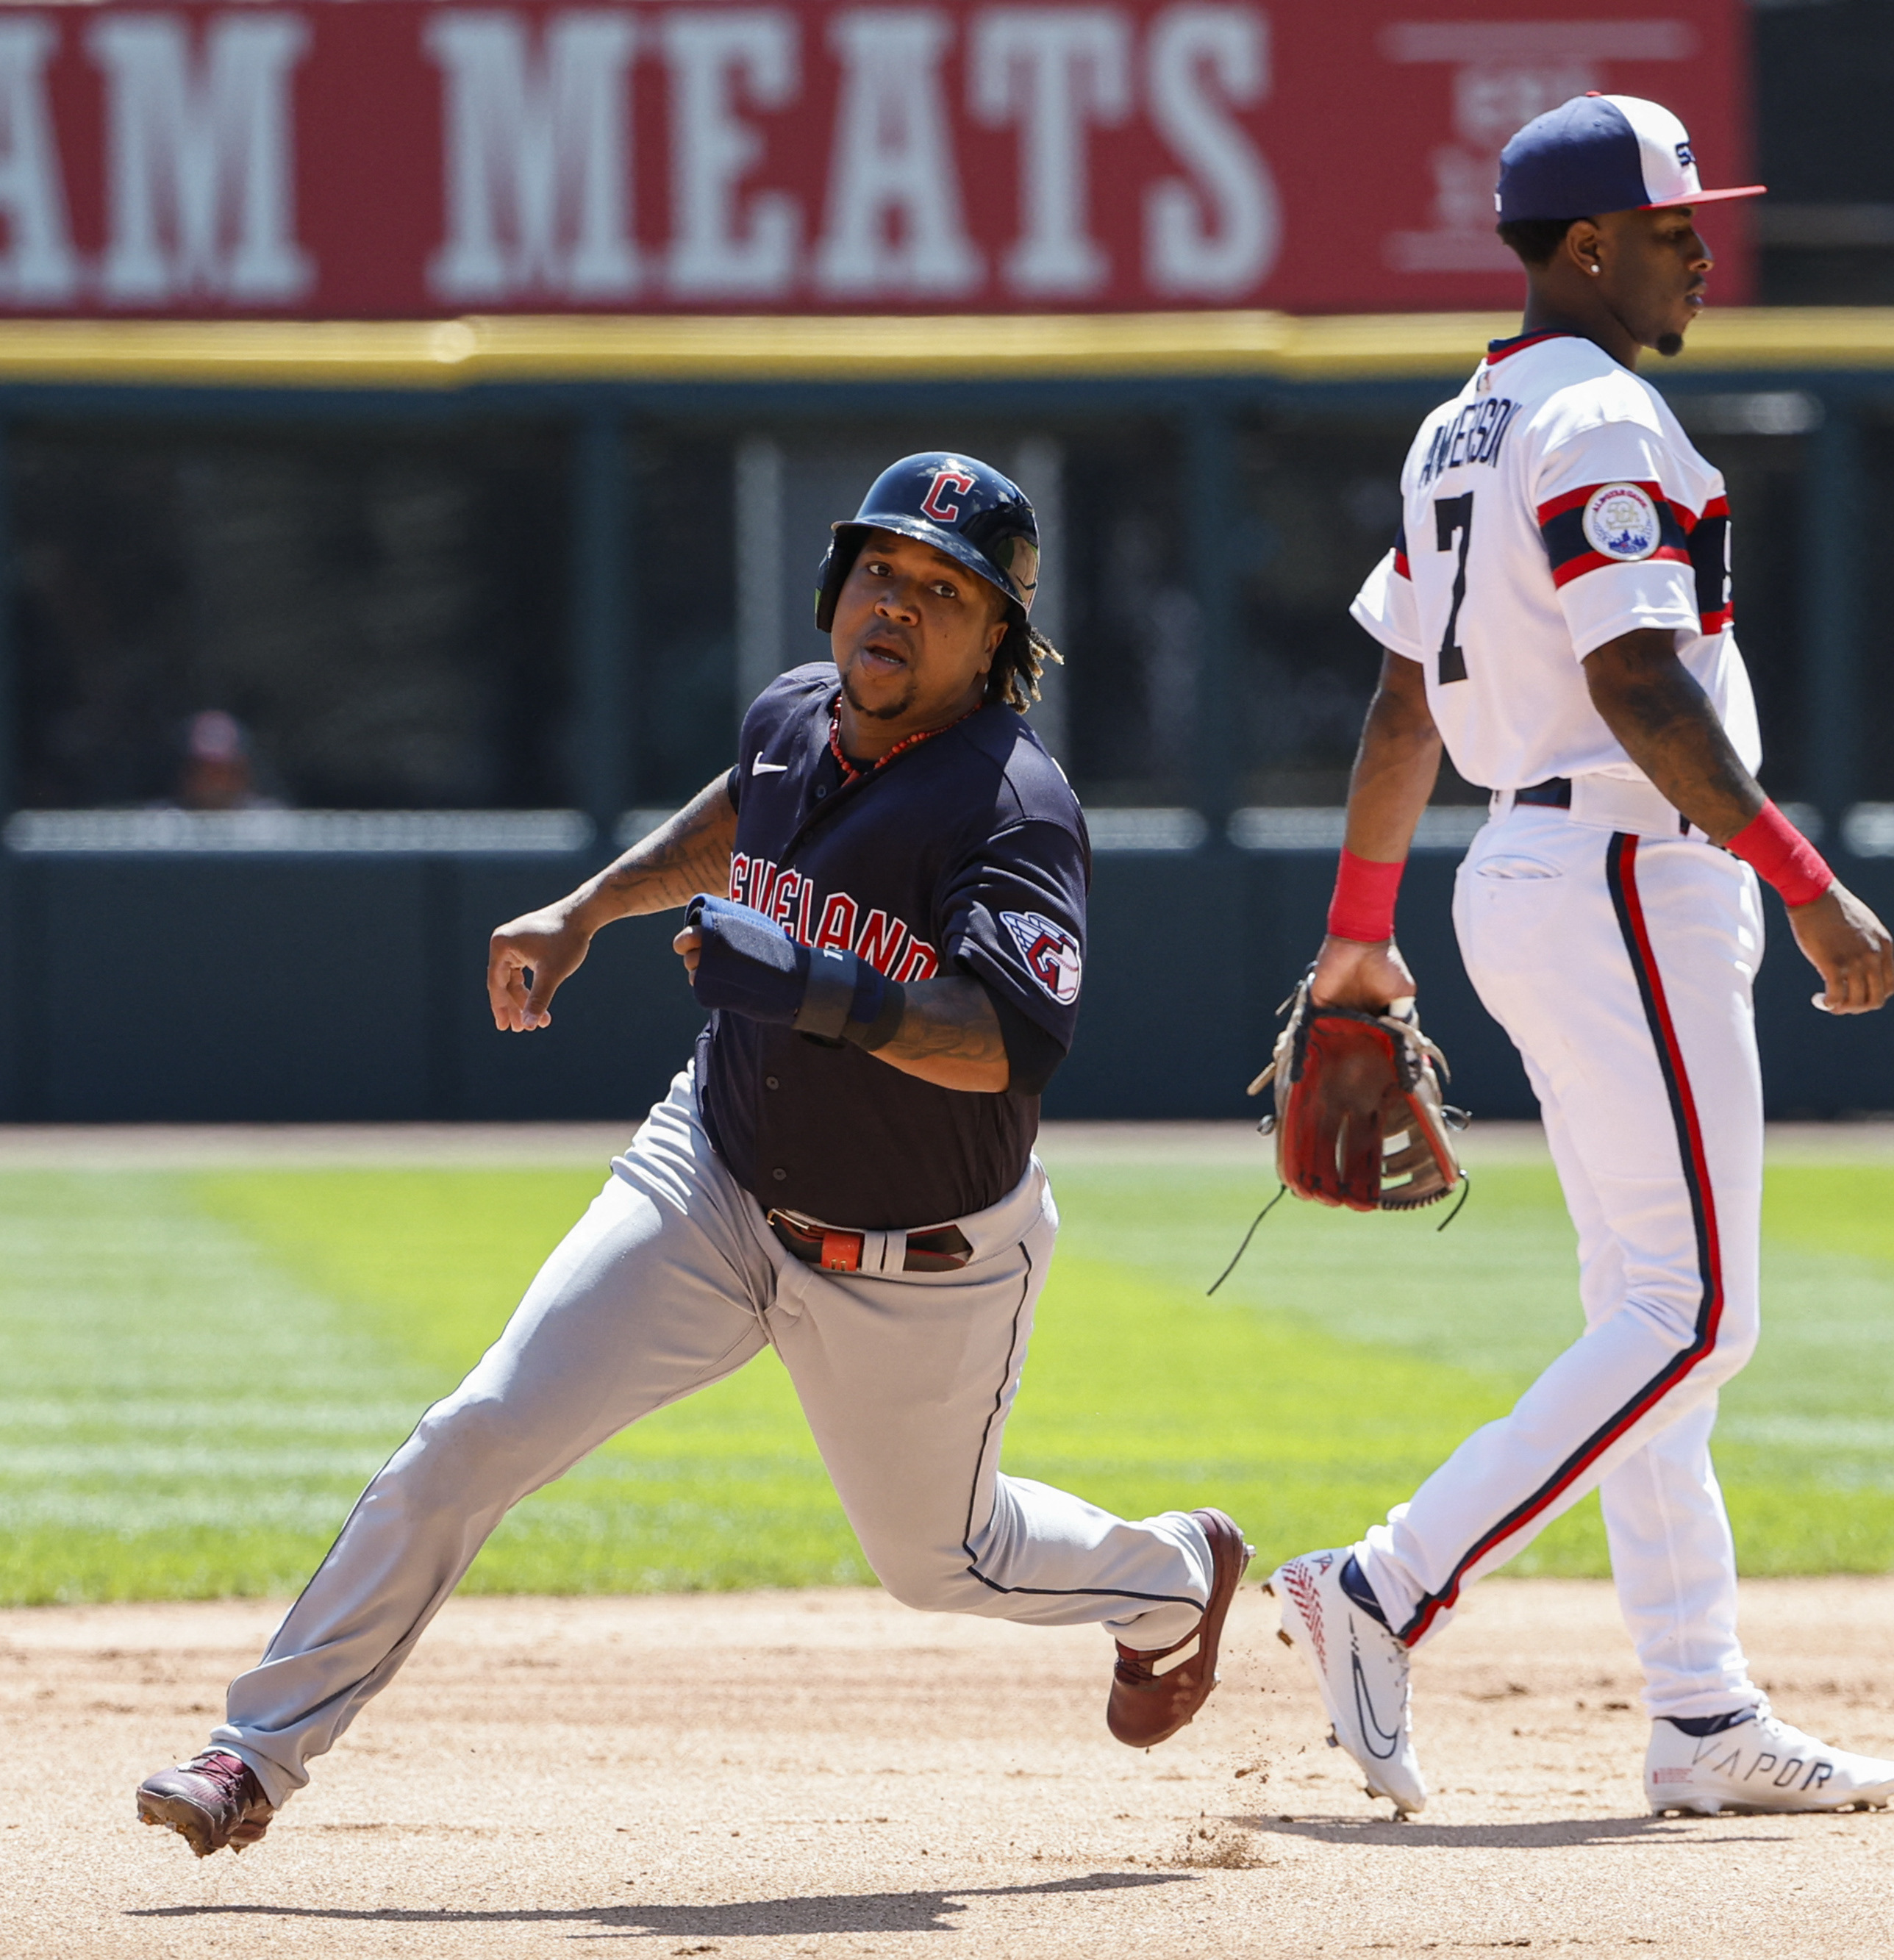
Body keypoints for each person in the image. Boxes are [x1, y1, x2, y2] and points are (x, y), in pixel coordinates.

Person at [134, 454, 1247, 1858]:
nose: (896, 608)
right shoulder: (798, 712)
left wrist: (815, 985)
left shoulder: (1010, 805)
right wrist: (585, 912)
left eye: (944, 593)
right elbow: (743, 805)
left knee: (940, 1562)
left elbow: (1007, 1041)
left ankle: (1171, 1579)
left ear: (997, 645)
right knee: (479, 1431)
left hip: (918, 1259)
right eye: (881, 574)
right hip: (714, 1175)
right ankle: (254, 1752)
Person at [1269, 93, 1894, 1820]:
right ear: (1583, 247)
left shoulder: (1455, 430)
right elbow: (1640, 680)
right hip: (1626, 861)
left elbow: (1408, 700)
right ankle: (1385, 1582)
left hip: (1536, 862)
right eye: (1674, 221)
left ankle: (1699, 1705)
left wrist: (1354, 938)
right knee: (1692, 1310)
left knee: (1641, 1306)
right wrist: (1799, 871)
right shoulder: (1604, 414)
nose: (1704, 243)